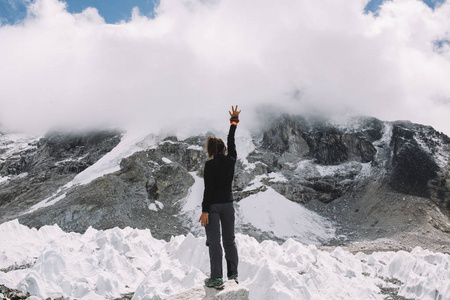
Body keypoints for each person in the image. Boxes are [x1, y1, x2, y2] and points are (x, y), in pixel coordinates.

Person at [199, 105, 241, 288]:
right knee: (229, 240)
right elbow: (231, 141)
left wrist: (205, 210)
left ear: (211, 150)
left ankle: (216, 277)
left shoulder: (210, 165)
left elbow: (208, 189)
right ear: (223, 149)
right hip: (228, 206)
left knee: (214, 241)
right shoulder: (231, 160)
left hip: (214, 206)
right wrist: (233, 122)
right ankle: (233, 275)